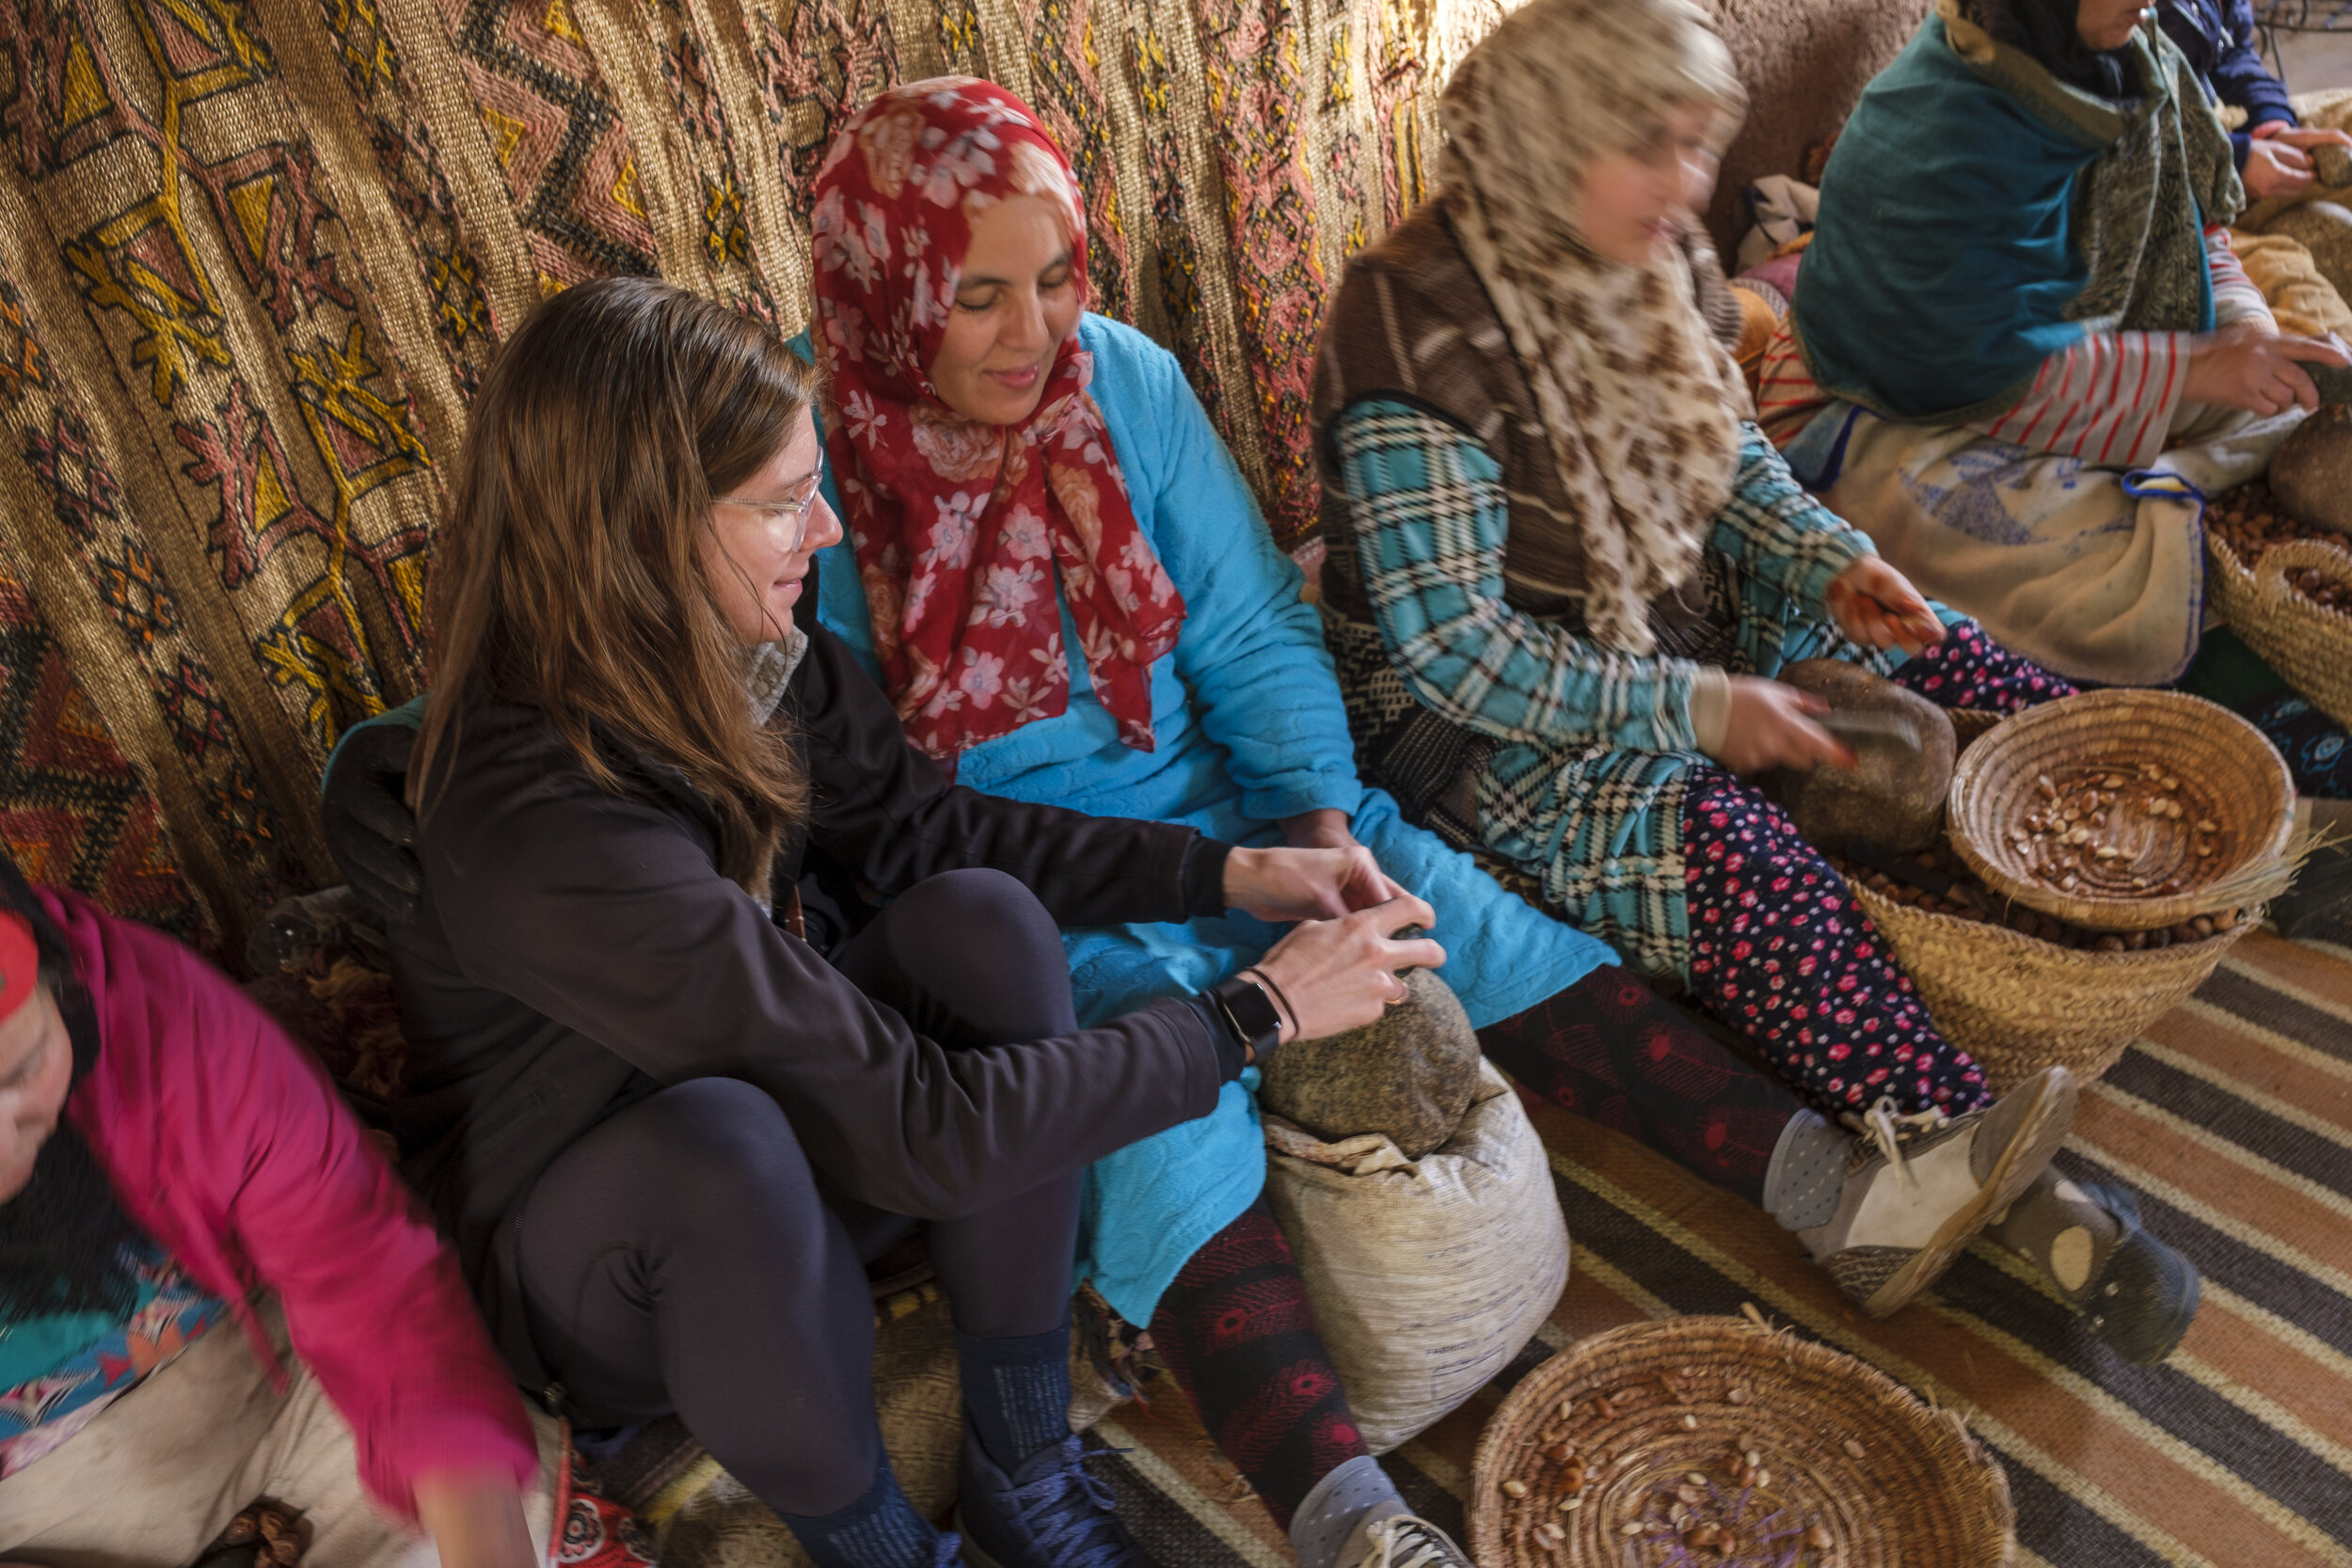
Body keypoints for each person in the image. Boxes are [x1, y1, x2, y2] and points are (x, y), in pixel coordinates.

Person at [320, 78, 2140, 1568]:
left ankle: (1849, 1193)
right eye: (981, 293)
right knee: (1140, 1087)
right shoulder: (779, 540)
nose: (1039, 333)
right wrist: (1240, 997)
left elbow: (1258, 627)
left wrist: (1290, 832)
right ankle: (1349, 1521)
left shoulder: (1079, 412)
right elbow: (909, 853)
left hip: (1166, 821)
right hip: (901, 940)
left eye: (1058, 278)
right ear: (885, 295)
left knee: (1452, 912)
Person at [326, 272, 1472, 1568]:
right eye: (776, 502)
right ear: (639, 535)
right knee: (722, 1145)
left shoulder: (745, 645)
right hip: (621, 1262)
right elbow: (928, 1131)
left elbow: (937, 837)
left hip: (800, 1127)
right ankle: (879, 1548)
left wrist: (1228, 873)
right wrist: (1257, 1012)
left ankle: (1024, 1471)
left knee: (980, 924)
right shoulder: (539, 828)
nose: (820, 527)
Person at [1311, 0, 2201, 1365]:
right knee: (1733, 849)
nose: (1692, 188)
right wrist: (1703, 713)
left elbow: (1731, 463)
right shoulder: (1405, 328)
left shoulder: (1645, 254)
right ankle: (1984, 1169)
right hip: (1488, 730)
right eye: (1654, 147)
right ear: (1552, 144)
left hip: (1674, 623)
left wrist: (1838, 563)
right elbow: (1458, 653)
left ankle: (2192, 845)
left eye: (1699, 146)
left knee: (1939, 646)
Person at [1755, 0, 2352, 701]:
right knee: (2109, 565)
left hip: (2089, 356)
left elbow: (2199, 236)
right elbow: (1972, 367)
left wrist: (2246, 332)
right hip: (1886, 407)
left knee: (2288, 417)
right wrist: (2197, 369)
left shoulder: (2133, 59)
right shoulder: (1940, 136)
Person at [0, 855, 547, 1567]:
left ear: (62, 991)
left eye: (23, 1068)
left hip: (268, 1385)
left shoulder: (164, 1016)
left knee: (502, 1509)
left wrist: (479, 1527)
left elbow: (360, 1264)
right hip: (38, 1512)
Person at [2160, 0, 2352, 345]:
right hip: (2170, 193)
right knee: (2302, 302)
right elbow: (2119, 139)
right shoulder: (2099, 19)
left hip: (2221, 131)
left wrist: (2271, 125)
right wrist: (2234, 160)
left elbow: (2230, 52)